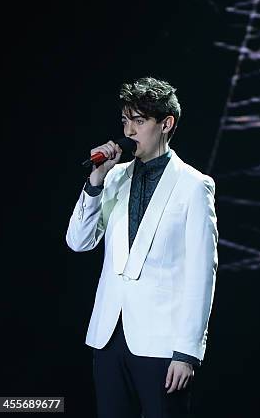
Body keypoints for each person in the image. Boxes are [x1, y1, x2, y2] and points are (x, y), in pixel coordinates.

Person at [66, 77, 218, 418]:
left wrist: (188, 352)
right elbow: (78, 241)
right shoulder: (114, 176)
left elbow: (201, 275)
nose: (129, 131)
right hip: (108, 337)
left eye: (139, 121)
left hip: (162, 342)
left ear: (166, 124)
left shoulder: (194, 186)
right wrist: (94, 183)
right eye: (125, 121)